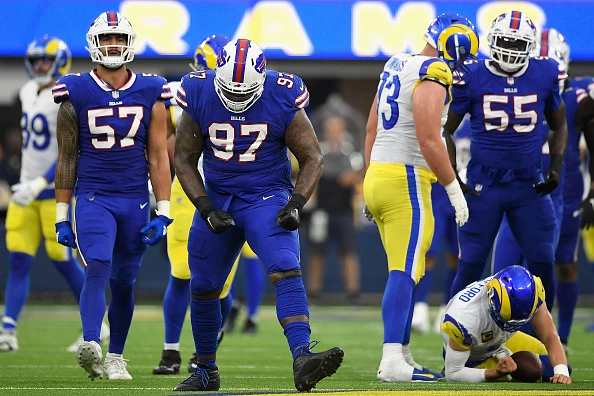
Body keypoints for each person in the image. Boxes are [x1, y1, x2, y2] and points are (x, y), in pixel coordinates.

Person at [172, 38, 343, 392]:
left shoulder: (283, 93)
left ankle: (302, 356)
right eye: (229, 91)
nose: (236, 99)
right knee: (203, 286)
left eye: (244, 92)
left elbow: (312, 156)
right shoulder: (199, 90)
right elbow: (184, 158)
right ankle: (205, 371)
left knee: (284, 266)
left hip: (265, 196)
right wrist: (204, 206)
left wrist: (296, 202)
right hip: (218, 197)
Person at [52, 11, 173, 380]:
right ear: (94, 44)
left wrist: (163, 211)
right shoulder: (74, 90)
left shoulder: (152, 89)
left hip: (135, 199)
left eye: (119, 38)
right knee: (98, 266)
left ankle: (117, 356)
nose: (113, 45)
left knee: (123, 281)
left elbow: (157, 155)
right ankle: (92, 343)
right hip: (93, 197)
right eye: (107, 39)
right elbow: (67, 156)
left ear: (130, 43)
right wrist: (61, 214)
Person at [363, 13, 477, 382]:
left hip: (380, 173)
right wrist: (453, 188)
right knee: (405, 270)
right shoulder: (434, 71)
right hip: (406, 178)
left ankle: (403, 354)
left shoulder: (397, 64)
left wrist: (369, 177)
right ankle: (393, 359)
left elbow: (371, 127)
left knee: (407, 268)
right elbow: (430, 138)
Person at [445, 11, 568, 313]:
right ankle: (455, 344)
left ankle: (542, 342)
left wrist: (555, 168)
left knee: (543, 260)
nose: (511, 50)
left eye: (518, 44)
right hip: (484, 184)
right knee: (471, 263)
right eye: (505, 42)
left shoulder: (545, 71)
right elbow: (445, 130)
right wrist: (453, 177)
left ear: (530, 46)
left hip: (529, 184)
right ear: (492, 41)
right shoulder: (472, 74)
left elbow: (560, 124)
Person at [0, 35, 108, 352]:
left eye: (46, 60)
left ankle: (97, 324)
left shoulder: (65, 93)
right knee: (18, 258)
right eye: (36, 61)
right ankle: (8, 329)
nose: (41, 66)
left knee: (62, 259)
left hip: (54, 192)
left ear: (61, 61)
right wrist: (26, 180)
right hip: (25, 192)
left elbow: (68, 150)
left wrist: (39, 182)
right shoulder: (25, 90)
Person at [492, 28, 589, 350]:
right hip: (517, 186)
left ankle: (556, 338)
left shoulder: (579, 97)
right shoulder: (508, 90)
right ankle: (499, 340)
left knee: (558, 261)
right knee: (506, 266)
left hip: (561, 187)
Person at [154, 33, 237, 376]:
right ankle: (171, 350)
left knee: (220, 283)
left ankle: (206, 348)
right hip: (187, 190)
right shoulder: (178, 94)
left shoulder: (249, 95)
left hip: (227, 189)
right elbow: (162, 143)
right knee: (181, 272)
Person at [441, 265, 571, 384]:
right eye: (506, 320)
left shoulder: (533, 292)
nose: (510, 327)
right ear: (491, 300)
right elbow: (453, 374)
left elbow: (549, 336)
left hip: (499, 342)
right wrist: (495, 373)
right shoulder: (463, 319)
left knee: (562, 367)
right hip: (474, 355)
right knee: (533, 372)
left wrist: (561, 372)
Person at [412, 117, 471, 334]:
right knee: (428, 253)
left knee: (458, 257)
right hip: (435, 194)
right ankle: (420, 307)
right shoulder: (438, 114)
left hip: (464, 195)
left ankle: (448, 308)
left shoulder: (479, 117)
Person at [306, 115, 362, 304]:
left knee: (348, 251)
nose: (335, 132)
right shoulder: (320, 148)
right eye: (331, 128)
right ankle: (313, 291)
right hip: (321, 209)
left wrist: (352, 178)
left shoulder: (351, 151)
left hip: (344, 209)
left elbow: (357, 174)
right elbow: (314, 172)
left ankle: (353, 292)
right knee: (316, 251)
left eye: (337, 128)